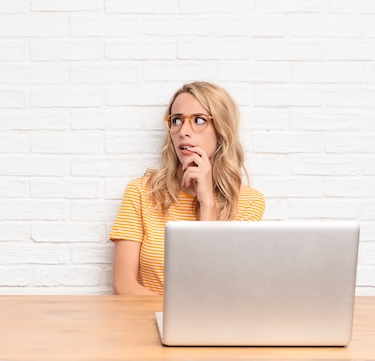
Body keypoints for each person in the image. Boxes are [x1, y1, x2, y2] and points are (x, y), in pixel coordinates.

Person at [109, 81, 265, 295]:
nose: (183, 131)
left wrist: (207, 204)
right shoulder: (141, 192)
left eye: (199, 120)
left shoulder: (249, 202)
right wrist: (173, 314)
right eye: (176, 121)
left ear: (221, 130)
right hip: (148, 322)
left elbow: (221, 288)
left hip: (213, 324)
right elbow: (123, 285)